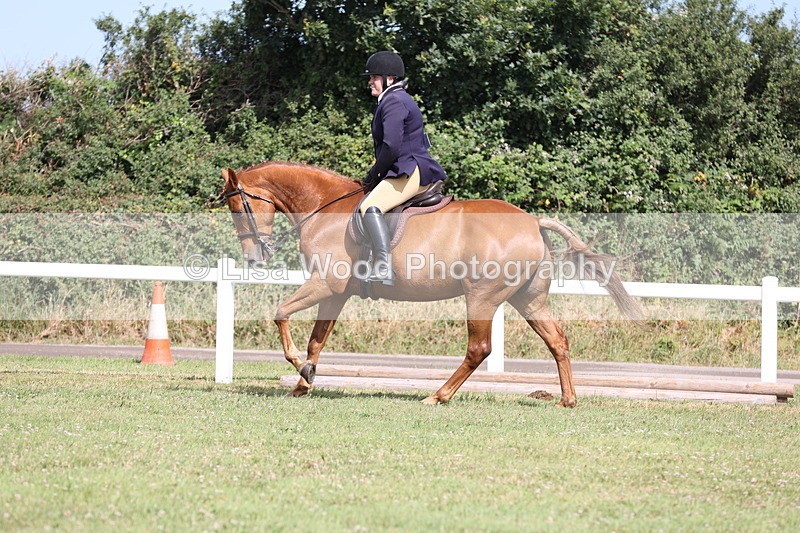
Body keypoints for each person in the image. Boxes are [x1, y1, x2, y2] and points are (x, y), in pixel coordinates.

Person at [360, 51, 447, 285]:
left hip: (409, 168)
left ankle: (383, 266)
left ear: (390, 78)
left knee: (370, 205)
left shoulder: (394, 101)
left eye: (375, 77)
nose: (370, 81)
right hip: (407, 166)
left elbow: (391, 146)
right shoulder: (394, 99)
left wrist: (374, 174)